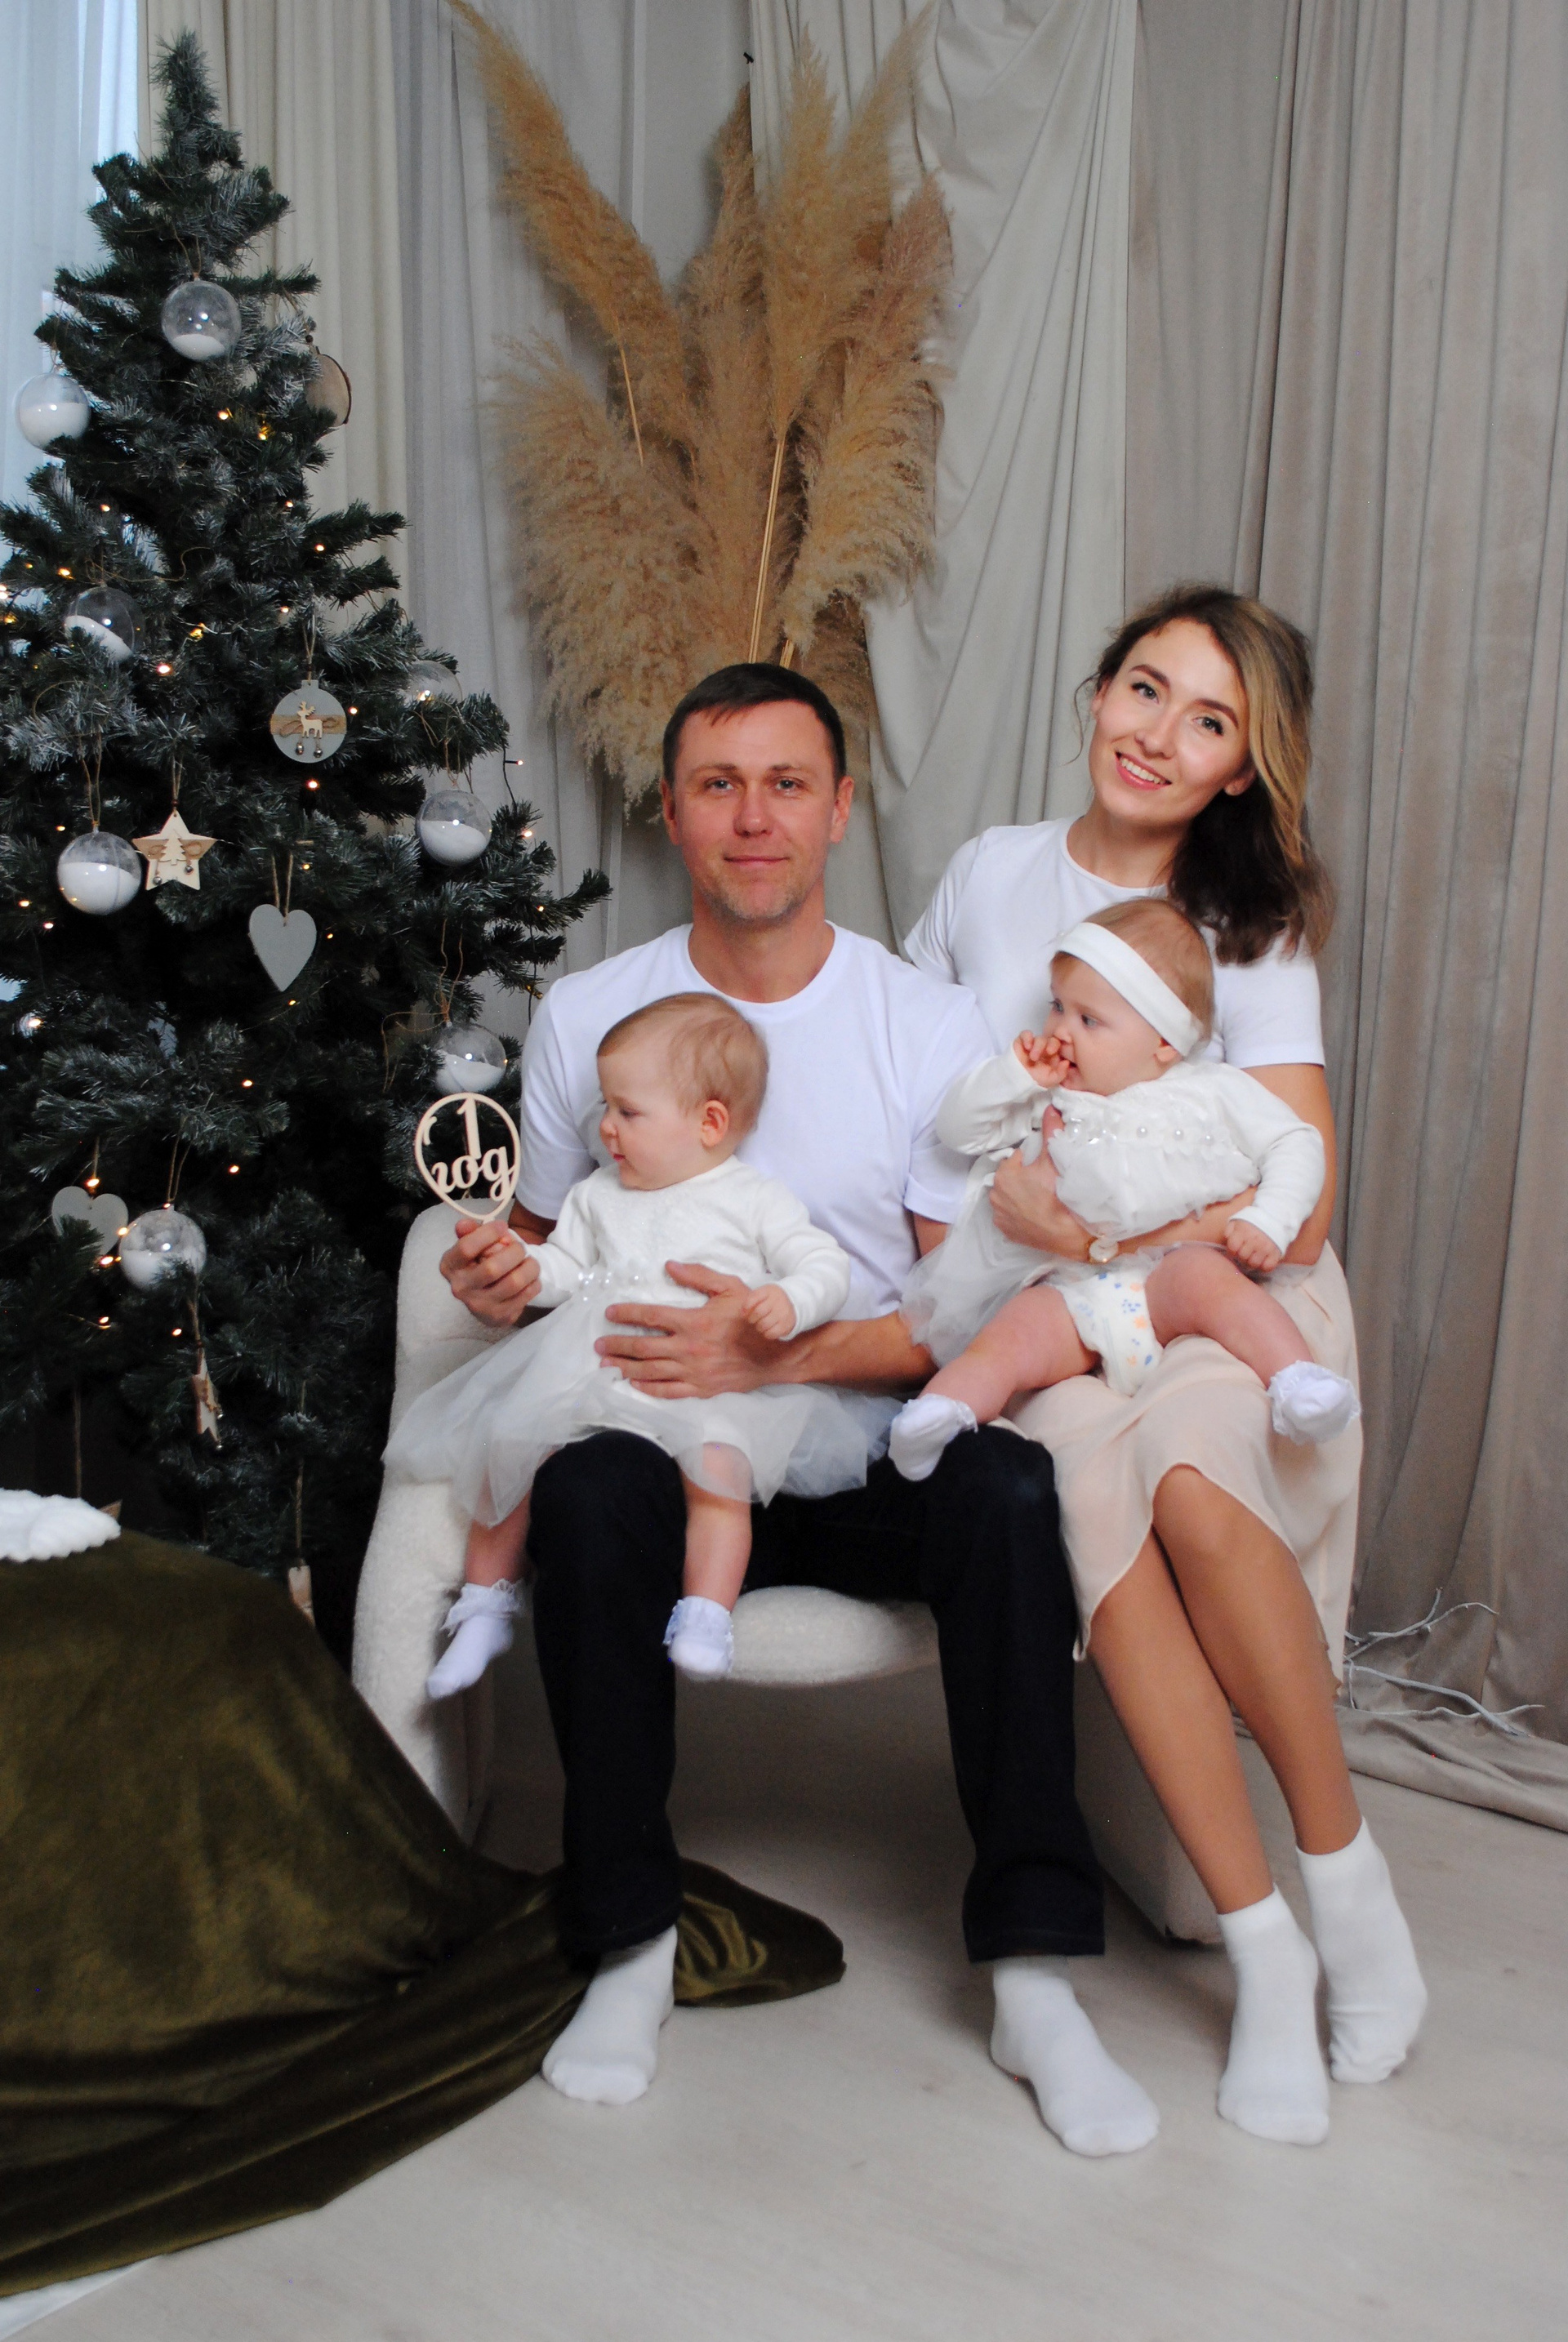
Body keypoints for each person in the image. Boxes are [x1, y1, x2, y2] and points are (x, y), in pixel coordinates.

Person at [441, 661, 1159, 2155]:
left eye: (786, 784)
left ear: (838, 810)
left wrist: (775, 1360)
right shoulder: (591, 1010)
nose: (753, 817)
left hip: (856, 1434)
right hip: (661, 1439)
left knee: (1008, 1494)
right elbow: (555, 1248)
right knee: (583, 1495)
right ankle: (629, 1935)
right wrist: (501, 1275)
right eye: (719, 785)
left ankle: (1033, 1967)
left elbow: (959, 1304)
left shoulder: (923, 1020)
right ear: (673, 810)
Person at [906, 584, 1427, 2146]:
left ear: (1239, 768)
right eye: (1145, 687)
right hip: (1049, 1303)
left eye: (1209, 721)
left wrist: (1111, 1224)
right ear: (1098, 690)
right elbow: (929, 1107)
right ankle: (1264, 1951)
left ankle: (1348, 1885)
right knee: (1099, 1510)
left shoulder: (1248, 928)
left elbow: (1298, 1197)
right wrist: (995, 1236)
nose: (1158, 734)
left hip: (1222, 1291)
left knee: (1192, 1477)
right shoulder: (991, 873)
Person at [387, 991, 875, 1691]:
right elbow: (569, 1268)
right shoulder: (597, 1194)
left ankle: (707, 1613)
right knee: (511, 1446)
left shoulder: (753, 1198)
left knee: (720, 1475)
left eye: (628, 1111)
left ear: (709, 1123)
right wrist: (526, 1268)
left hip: (704, 1384)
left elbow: (824, 1263)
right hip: (595, 1368)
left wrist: (790, 1301)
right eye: (605, 1107)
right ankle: (484, 1604)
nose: (606, 1127)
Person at [889, 897, 1359, 1485]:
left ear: (1165, 1042)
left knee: (1216, 1289)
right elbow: (958, 1131)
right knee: (1009, 1338)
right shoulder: (1049, 1099)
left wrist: (1270, 1219)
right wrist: (1012, 1076)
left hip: (1166, 1280)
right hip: (1067, 1290)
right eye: (1058, 1006)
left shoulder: (1214, 1091)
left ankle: (1298, 1382)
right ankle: (940, 1414)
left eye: (1088, 1020)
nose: (1060, 1031)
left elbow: (1296, 1142)